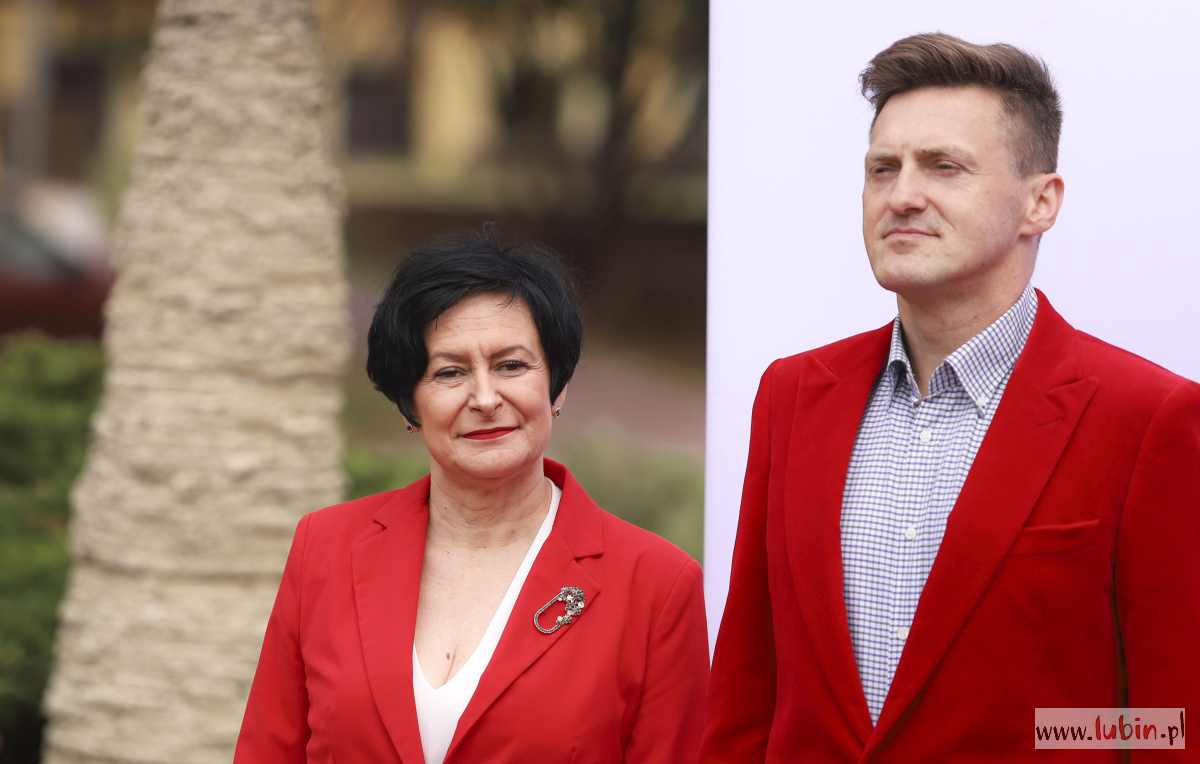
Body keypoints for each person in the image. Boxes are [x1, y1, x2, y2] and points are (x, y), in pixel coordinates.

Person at [703, 33, 1199, 762]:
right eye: (883, 169)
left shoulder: (1148, 417)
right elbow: (746, 698)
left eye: (944, 166)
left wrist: (1042, 737)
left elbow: (1167, 723)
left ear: (1040, 202)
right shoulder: (793, 396)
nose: (902, 195)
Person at [235, 231, 708, 763]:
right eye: (450, 372)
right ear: (409, 404)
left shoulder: (656, 586)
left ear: (557, 385)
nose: (485, 398)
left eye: (511, 366)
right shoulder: (325, 548)